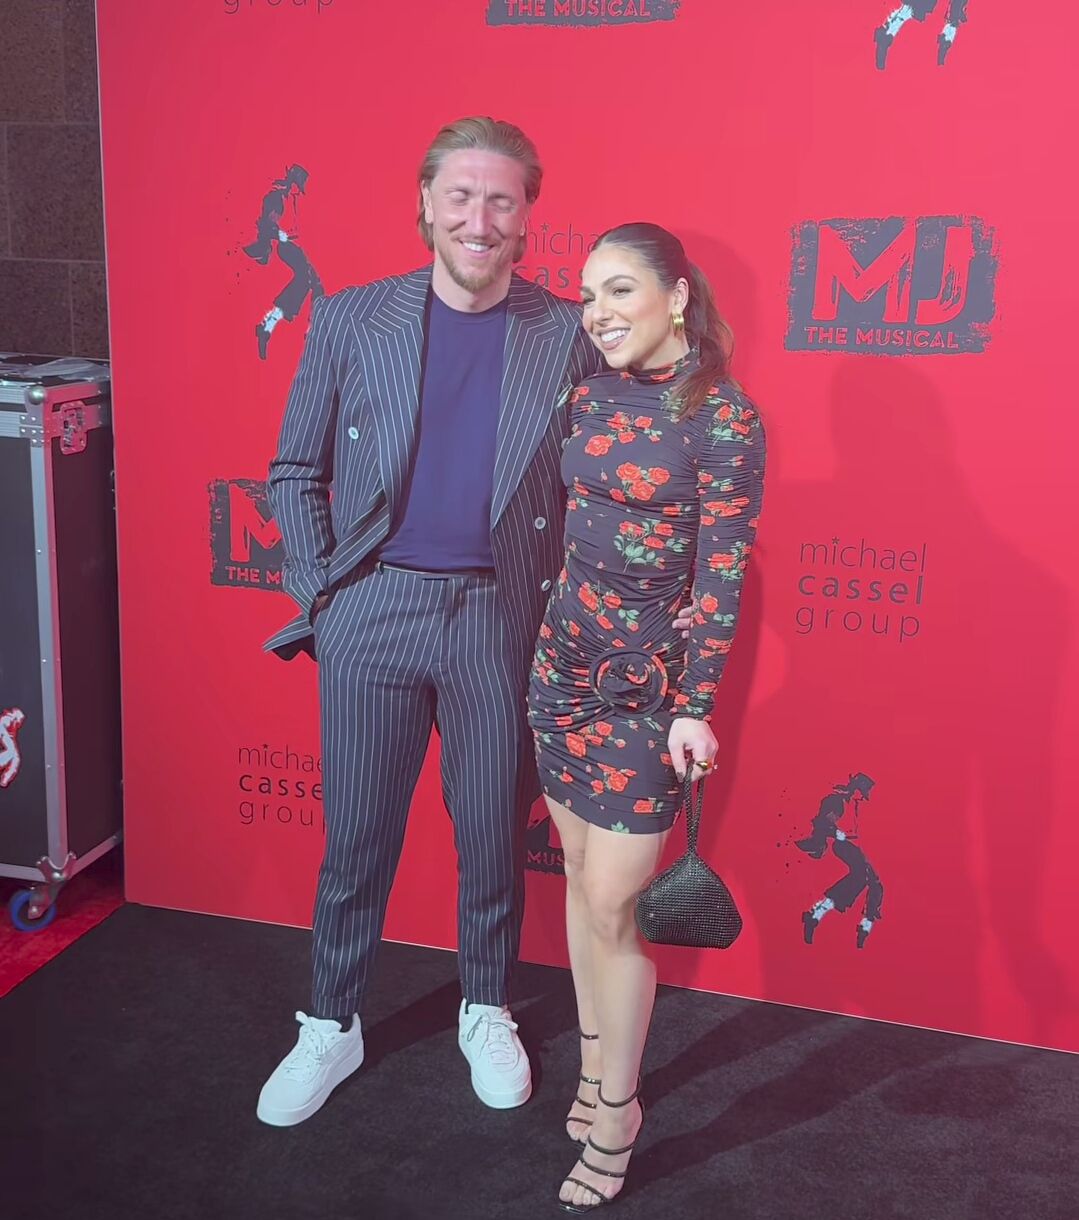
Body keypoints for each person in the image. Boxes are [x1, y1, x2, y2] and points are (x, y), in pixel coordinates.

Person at [256, 119, 692, 1127]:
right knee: (356, 837)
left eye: (500, 200)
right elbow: (293, 468)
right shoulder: (351, 318)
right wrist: (323, 593)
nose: (478, 219)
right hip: (373, 610)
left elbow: (629, 453)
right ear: (426, 204)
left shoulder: (567, 332)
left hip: (504, 618)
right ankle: (330, 1019)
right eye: (460, 196)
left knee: (492, 833)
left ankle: (484, 1005)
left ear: (526, 215)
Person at [527, 223, 766, 1210]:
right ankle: (593, 1067)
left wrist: (692, 706)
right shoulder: (589, 393)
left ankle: (617, 1112)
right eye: (588, 294)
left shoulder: (722, 417)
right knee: (579, 878)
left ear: (676, 296)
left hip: (647, 694)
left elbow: (720, 574)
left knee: (614, 905)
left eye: (619, 289)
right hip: (561, 672)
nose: (597, 312)